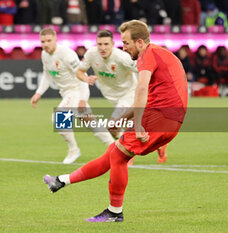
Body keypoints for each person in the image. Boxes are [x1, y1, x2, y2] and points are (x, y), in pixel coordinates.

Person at [43, 20, 188, 222]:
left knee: (119, 157)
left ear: (139, 42)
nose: (123, 47)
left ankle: (114, 212)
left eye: (126, 42)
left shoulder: (147, 55)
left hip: (160, 117)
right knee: (112, 153)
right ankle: (61, 181)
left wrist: (137, 126)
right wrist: (121, 120)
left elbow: (141, 89)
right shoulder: (158, 54)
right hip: (166, 118)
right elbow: (150, 98)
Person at [76, 30, 168, 164]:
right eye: (99, 44)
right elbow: (79, 72)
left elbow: (144, 69)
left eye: (106, 44)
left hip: (128, 94)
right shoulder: (91, 54)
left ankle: (127, 155)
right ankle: (157, 145)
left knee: (113, 125)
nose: (102, 48)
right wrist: (86, 78)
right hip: (112, 97)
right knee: (113, 131)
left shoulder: (122, 57)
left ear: (113, 44)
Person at [31, 28, 114, 164]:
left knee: (57, 118)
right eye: (43, 41)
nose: (46, 44)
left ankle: (74, 149)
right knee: (92, 124)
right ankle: (114, 147)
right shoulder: (44, 55)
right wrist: (38, 93)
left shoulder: (67, 54)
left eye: (49, 41)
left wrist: (82, 99)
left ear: (56, 40)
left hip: (75, 91)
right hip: (66, 94)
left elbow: (83, 75)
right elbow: (47, 74)